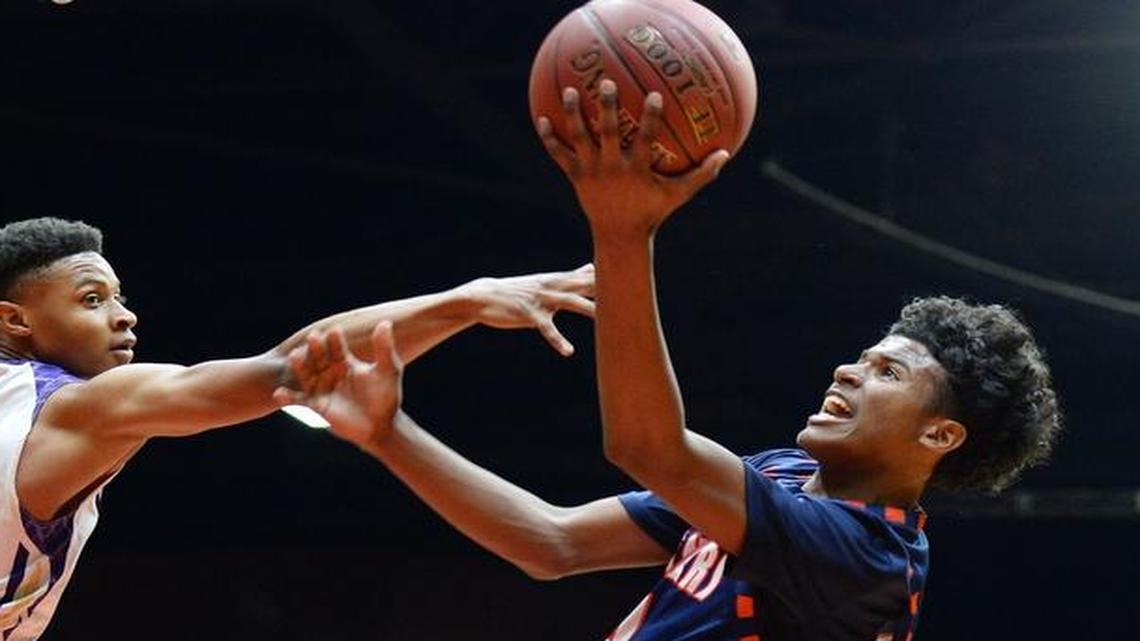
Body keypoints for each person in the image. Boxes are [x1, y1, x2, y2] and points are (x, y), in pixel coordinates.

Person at [278, 78, 1062, 641]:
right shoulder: (785, 473)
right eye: (862, 357)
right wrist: (388, 432)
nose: (848, 371)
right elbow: (550, 542)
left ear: (940, 435)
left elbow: (649, 448)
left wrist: (625, 232)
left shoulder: (868, 557)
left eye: (888, 373)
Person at [0, 216, 595, 641]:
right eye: (92, 299)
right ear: (15, 320)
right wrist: (468, 301)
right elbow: (293, 369)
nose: (124, 313)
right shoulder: (73, 408)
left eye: (117, 296)